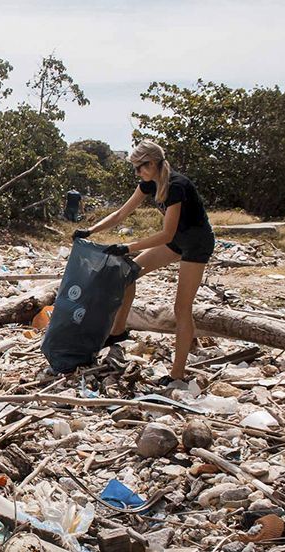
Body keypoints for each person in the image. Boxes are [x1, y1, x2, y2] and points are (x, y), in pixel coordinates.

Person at [72, 140, 214, 385]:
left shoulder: (176, 186)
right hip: (178, 241)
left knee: (182, 308)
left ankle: (177, 375)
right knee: (128, 275)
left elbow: (166, 234)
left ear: (154, 163)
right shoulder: (149, 184)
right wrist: (90, 230)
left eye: (140, 167)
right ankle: (117, 333)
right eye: (135, 168)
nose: (138, 173)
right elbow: (120, 214)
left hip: (196, 244)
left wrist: (127, 246)